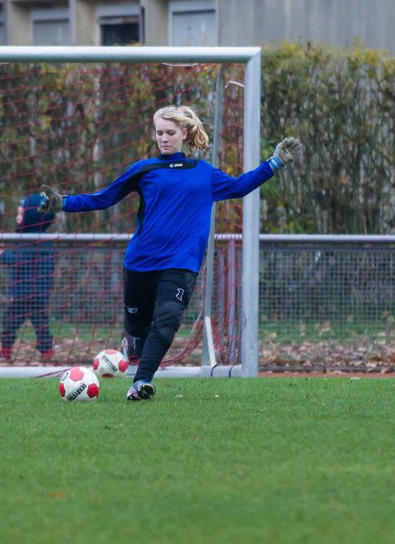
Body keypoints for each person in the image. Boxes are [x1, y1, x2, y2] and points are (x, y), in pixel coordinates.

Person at [39, 105, 303, 400]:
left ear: (185, 133)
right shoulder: (144, 169)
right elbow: (104, 198)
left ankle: (140, 383)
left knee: (167, 319)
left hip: (181, 262)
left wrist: (275, 162)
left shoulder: (204, 174)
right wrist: (63, 202)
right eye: (159, 132)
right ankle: (133, 345)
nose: (164, 138)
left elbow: (241, 186)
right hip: (140, 262)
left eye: (170, 132)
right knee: (137, 327)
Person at [0, 193, 57, 363]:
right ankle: (46, 352)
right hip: (39, 296)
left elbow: (18, 260)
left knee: (10, 323)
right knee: (41, 325)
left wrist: (3, 255)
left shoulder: (31, 240)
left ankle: (6, 352)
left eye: (21, 214)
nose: (17, 217)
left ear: (31, 217)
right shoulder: (43, 241)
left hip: (23, 295)